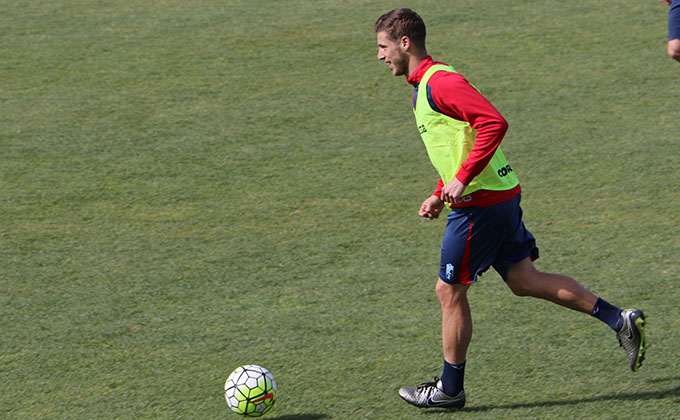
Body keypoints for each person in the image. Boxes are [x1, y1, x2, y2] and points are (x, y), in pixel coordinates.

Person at [373, 8, 648, 409]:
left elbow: (492, 122)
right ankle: (618, 319)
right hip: (496, 195)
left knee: (448, 291)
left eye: (383, 47)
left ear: (404, 43)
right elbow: (459, 141)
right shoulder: (423, 86)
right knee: (523, 280)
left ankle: (450, 390)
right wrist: (439, 190)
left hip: (480, 205)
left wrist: (462, 181)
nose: (380, 56)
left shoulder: (441, 82)